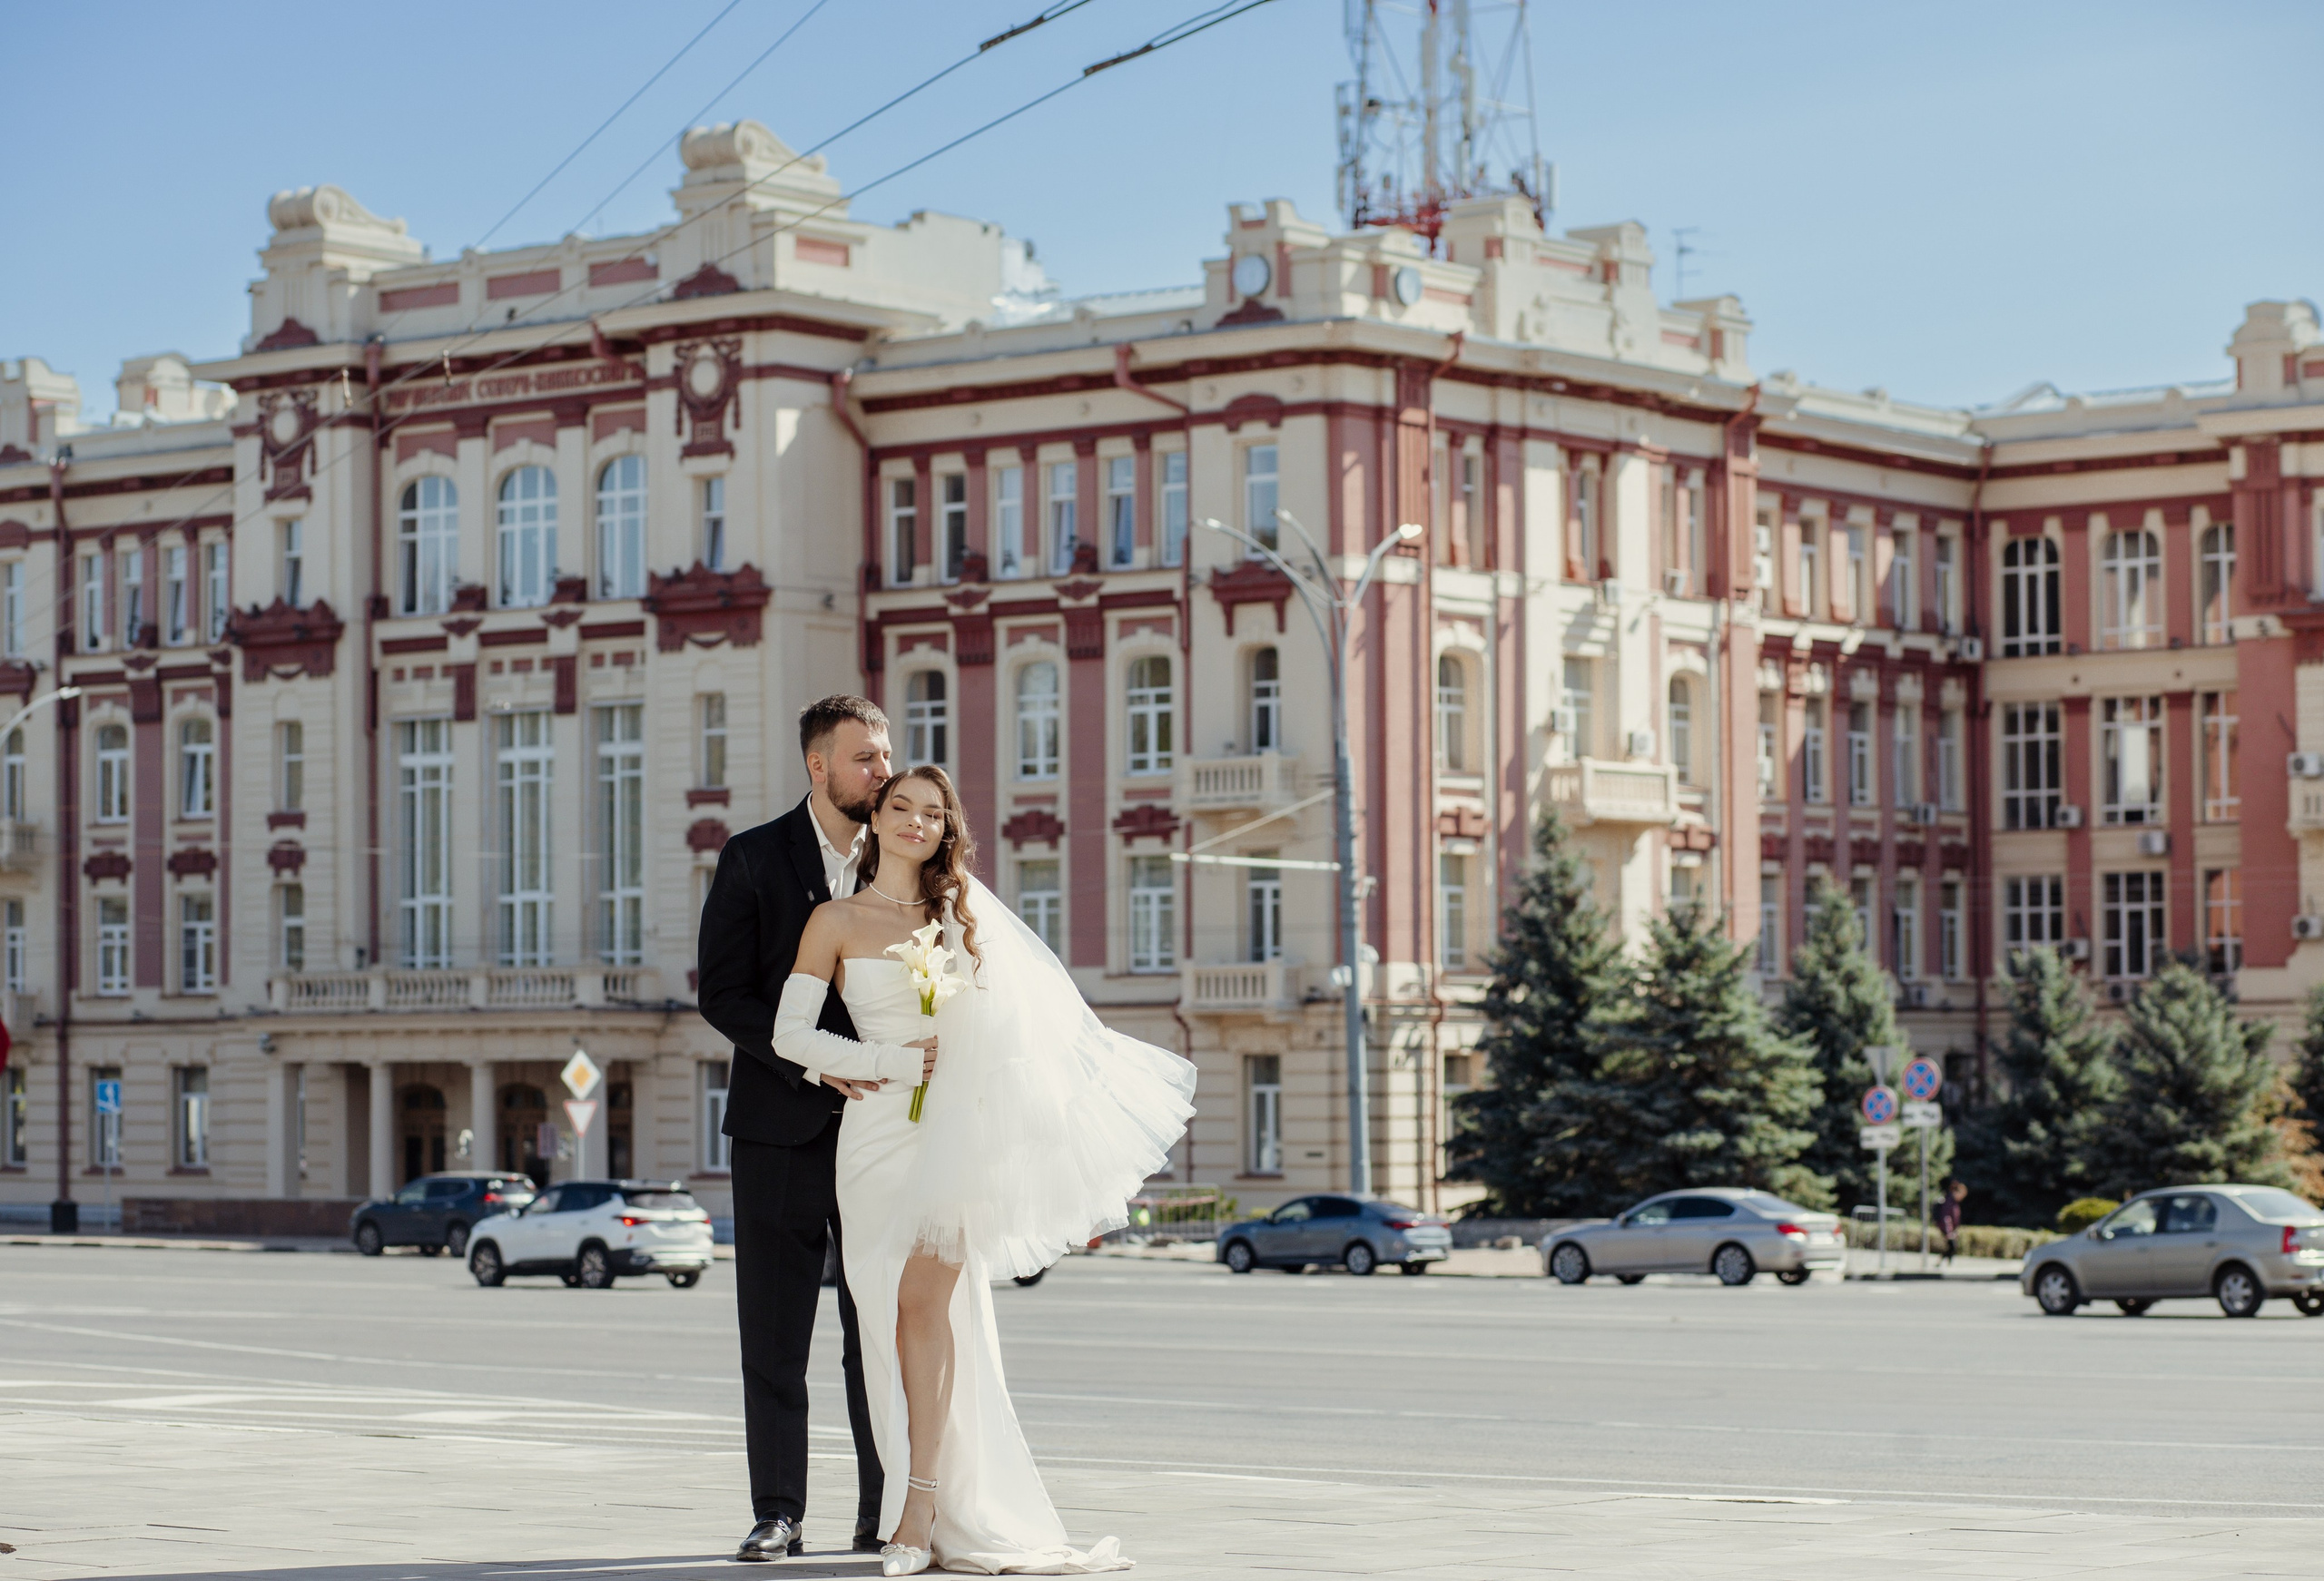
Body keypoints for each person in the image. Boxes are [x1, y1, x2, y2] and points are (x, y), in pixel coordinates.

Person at [780, 763, 1196, 1576]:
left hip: (955, 1137)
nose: (915, 822)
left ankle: (920, 1509)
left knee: (928, 1308)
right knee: (884, 1326)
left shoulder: (962, 919)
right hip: (873, 1140)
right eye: (901, 806)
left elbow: (1021, 1032)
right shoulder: (833, 920)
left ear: (946, 832)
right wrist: (888, 1061)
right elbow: (793, 1037)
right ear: (879, 819)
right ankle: (923, 1501)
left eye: (933, 814)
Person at [696, 696, 897, 1561]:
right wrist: (813, 1064)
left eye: (886, 755)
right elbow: (724, 994)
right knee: (774, 1335)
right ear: (818, 767)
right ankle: (778, 1510)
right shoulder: (751, 858)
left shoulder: (910, 854)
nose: (883, 773)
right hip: (778, 1128)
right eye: (865, 758)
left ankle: (880, 1511)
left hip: (886, 1132)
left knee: (878, 1333)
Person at [1934, 1178, 1966, 1265]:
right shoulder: (1949, 1202)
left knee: (1951, 1247)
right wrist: (1949, 1232)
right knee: (1952, 1246)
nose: (1962, 1197)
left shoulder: (1954, 1202)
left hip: (1950, 1229)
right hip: (1946, 1229)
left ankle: (1944, 1263)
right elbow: (1946, 1218)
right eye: (1961, 1195)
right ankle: (1946, 1263)